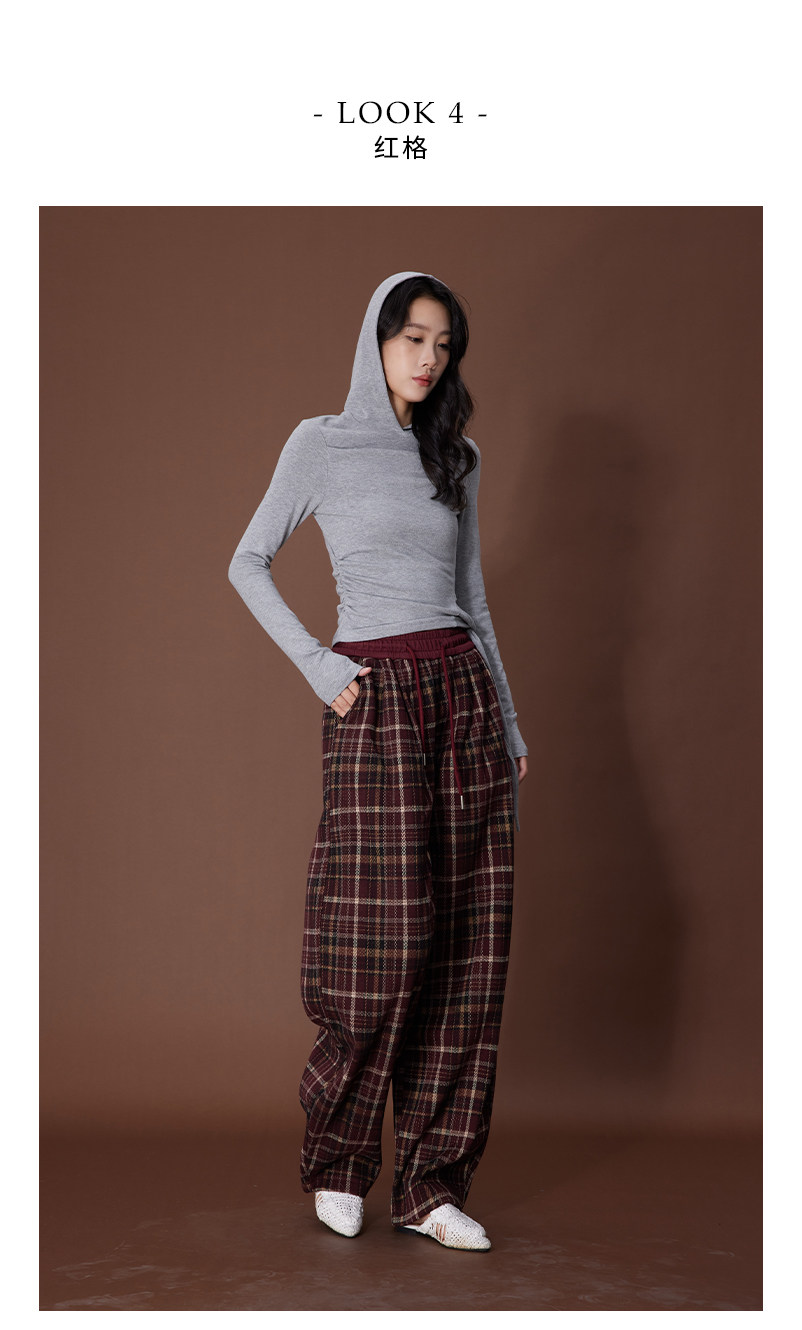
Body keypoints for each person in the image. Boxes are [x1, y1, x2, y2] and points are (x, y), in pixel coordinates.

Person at [228, 271, 528, 1252]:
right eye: (412, 338)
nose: (428, 358)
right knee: (376, 939)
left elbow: (472, 602)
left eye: (443, 344)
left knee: (468, 945)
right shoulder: (320, 443)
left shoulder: (457, 455)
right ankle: (339, 1161)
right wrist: (322, 668)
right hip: (377, 700)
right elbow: (246, 560)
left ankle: (431, 1185)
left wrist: (509, 725)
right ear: (376, 340)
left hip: (463, 697)